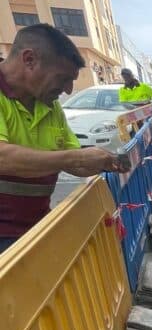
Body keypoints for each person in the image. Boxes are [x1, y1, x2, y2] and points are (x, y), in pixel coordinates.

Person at [0, 23, 127, 254]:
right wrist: (73, 158)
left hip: (34, 228)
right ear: (29, 59)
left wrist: (102, 161)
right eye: (63, 78)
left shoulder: (49, 105)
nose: (68, 90)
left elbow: (74, 158)